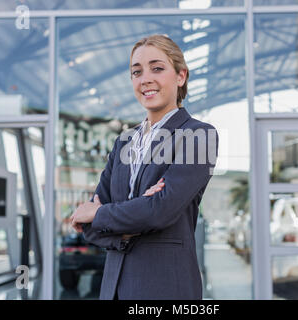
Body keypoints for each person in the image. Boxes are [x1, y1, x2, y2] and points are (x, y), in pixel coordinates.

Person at [69, 34, 218, 300]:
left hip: (164, 290)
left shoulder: (198, 135)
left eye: (157, 68)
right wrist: (130, 221)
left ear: (181, 76)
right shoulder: (124, 142)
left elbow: (160, 211)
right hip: (113, 288)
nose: (145, 79)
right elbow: (89, 227)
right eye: (136, 72)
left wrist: (102, 214)